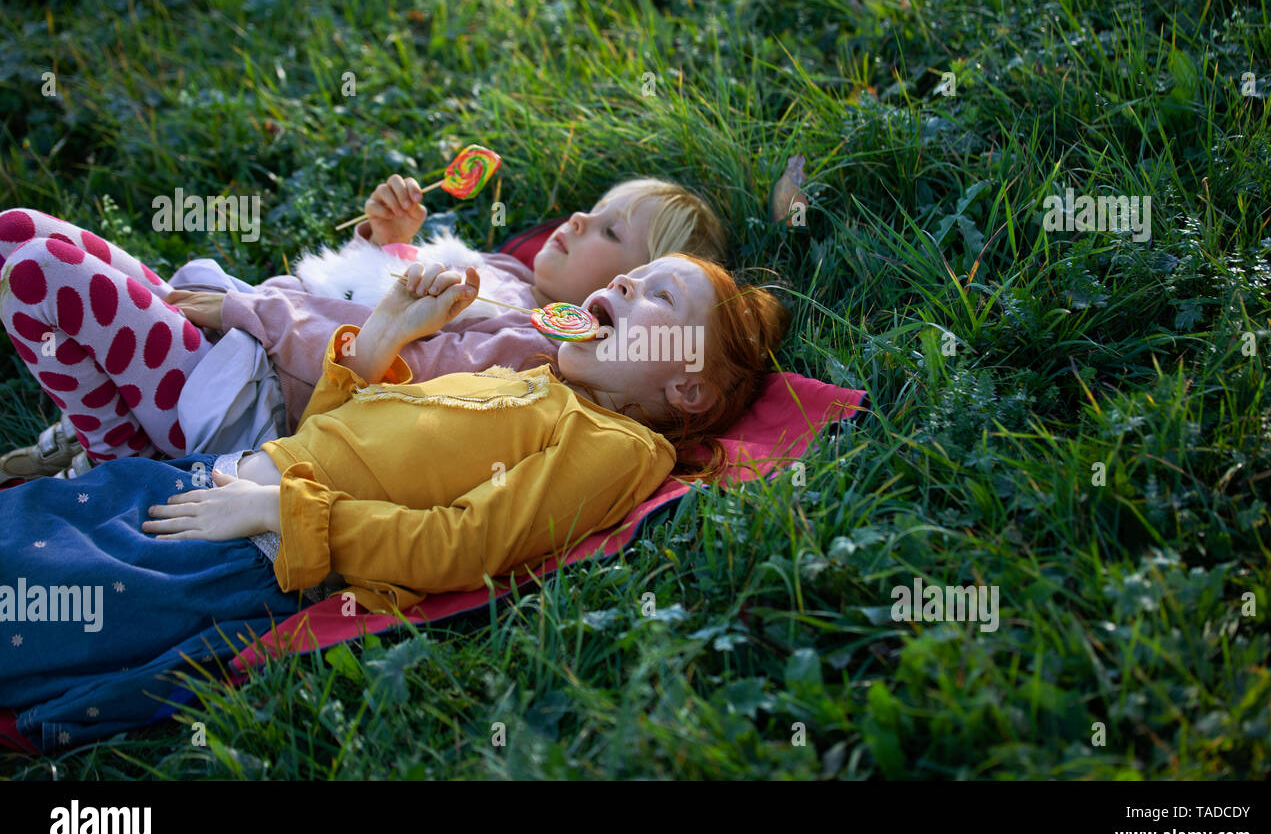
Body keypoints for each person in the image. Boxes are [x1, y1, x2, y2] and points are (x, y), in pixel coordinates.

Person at [0, 253, 788, 750]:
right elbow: (338, 442)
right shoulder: (533, 376)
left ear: (686, 384)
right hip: (208, 476)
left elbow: (466, 548)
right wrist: (377, 346)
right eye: (634, 272)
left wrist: (282, 516)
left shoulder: (617, 447)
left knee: (30, 597)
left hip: (243, 553)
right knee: (28, 526)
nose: (620, 282)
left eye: (658, 296)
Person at [0, 175, 727, 477]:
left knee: (39, 277)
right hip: (238, 337)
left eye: (610, 233)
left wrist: (243, 309)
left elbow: (382, 368)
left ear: (616, 302)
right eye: (594, 206)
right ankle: (114, 418)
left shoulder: (530, 345)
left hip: (240, 401)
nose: (576, 220)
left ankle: (116, 455)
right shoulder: (502, 275)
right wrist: (387, 241)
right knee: (18, 230)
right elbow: (361, 298)